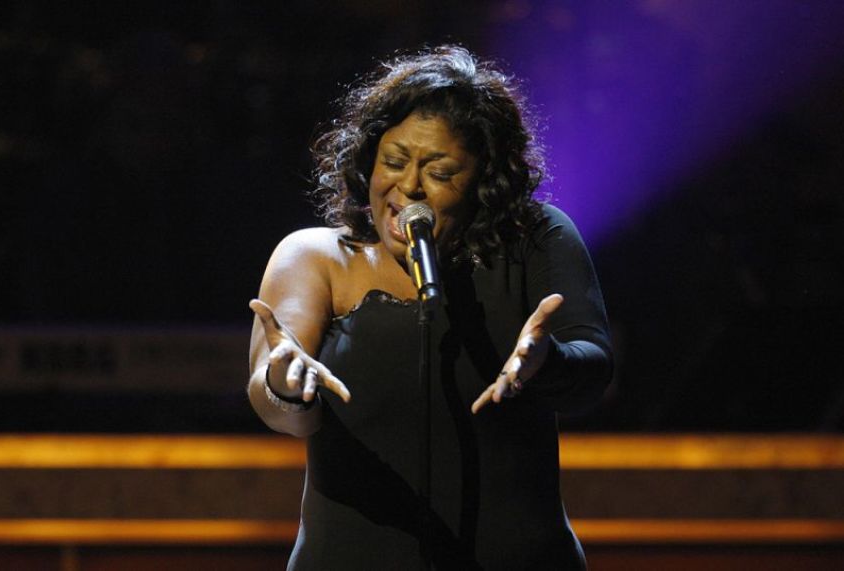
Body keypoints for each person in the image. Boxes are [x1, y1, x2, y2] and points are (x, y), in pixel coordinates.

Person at [248, 45, 612, 570]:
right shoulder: (316, 257)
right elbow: (277, 407)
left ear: (484, 180)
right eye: (393, 162)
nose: (409, 187)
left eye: (440, 172)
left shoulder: (537, 239)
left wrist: (546, 362)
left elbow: (594, 368)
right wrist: (286, 383)